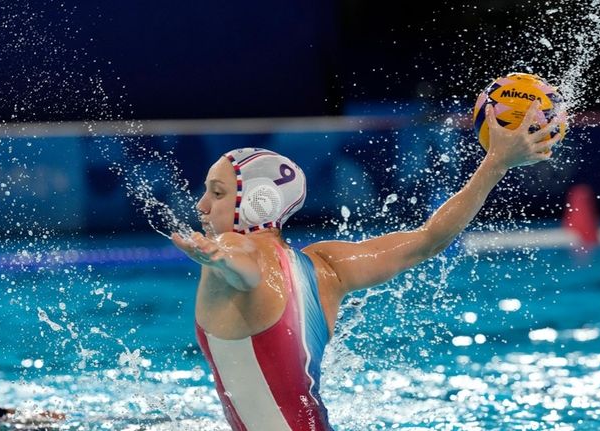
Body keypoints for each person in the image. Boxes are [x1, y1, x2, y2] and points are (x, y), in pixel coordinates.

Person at [170, 100, 564, 430]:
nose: (201, 206)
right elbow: (429, 239)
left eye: (217, 193)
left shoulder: (229, 247)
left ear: (258, 202)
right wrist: (495, 162)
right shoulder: (328, 267)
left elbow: (249, 268)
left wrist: (221, 258)